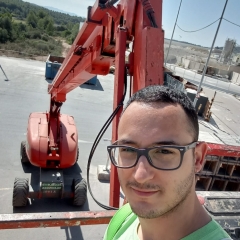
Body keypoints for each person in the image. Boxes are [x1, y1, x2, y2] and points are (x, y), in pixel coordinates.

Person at [104, 85, 231, 240]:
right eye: (128, 150)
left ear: (197, 158)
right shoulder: (123, 219)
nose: (140, 175)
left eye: (164, 151)